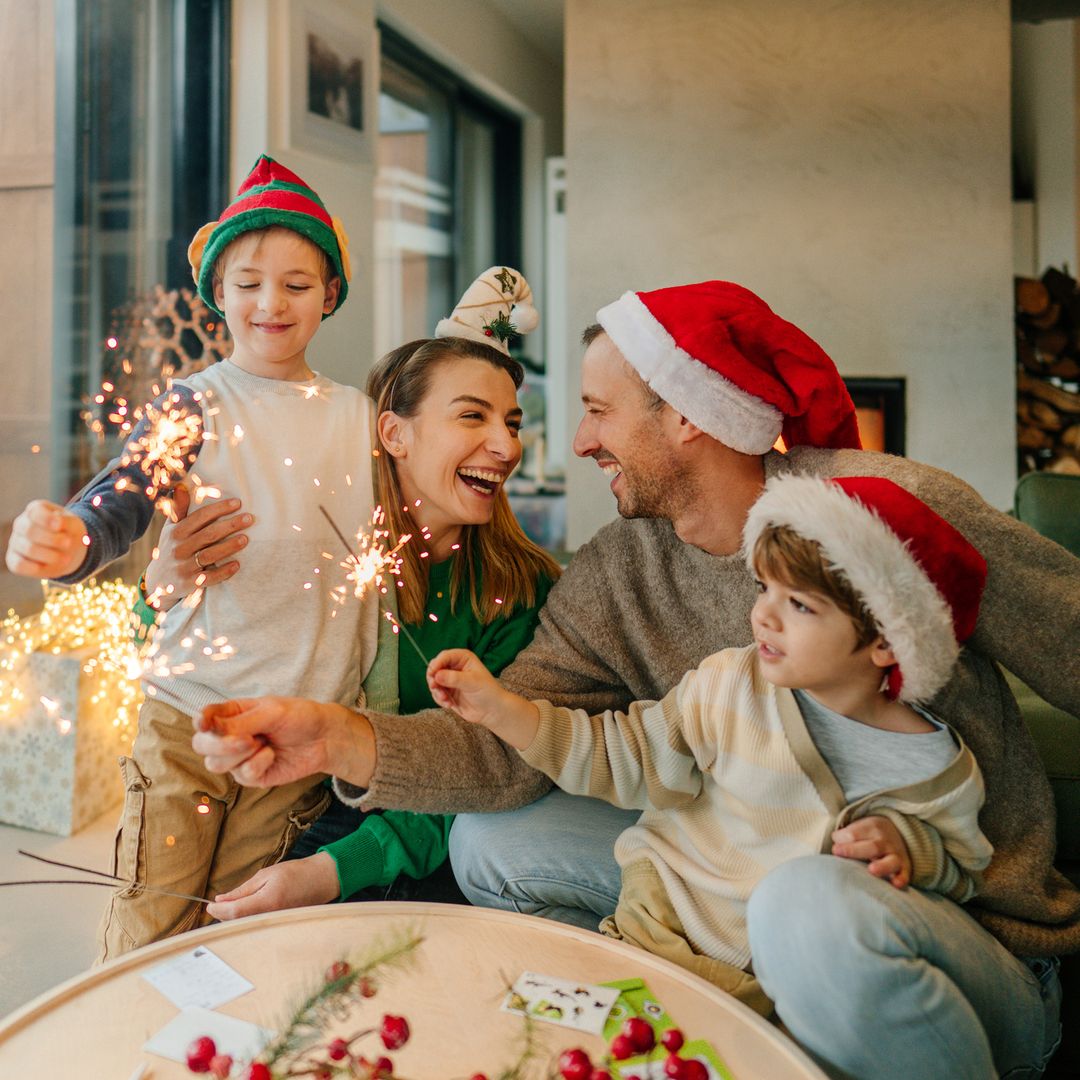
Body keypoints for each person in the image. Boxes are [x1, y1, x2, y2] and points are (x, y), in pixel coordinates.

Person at [193, 281, 1076, 1079]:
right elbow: (519, 742)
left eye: (597, 411)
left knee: (803, 905)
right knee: (491, 844)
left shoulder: (877, 511)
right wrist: (339, 736)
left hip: (953, 935)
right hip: (747, 890)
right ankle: (705, 1018)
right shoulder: (622, 572)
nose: (575, 441)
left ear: (684, 415)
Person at [426, 473, 994, 1015]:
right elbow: (623, 756)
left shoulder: (937, 767)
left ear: (887, 643)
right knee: (524, 1014)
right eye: (765, 587)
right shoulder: (730, 683)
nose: (763, 615)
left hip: (770, 989)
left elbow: (960, 868)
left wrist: (911, 848)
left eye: (799, 605)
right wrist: (503, 710)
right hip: (652, 928)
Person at [4, 154, 382, 959]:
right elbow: (123, 496)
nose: (269, 302)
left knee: (244, 928)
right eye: (247, 281)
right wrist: (71, 539)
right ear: (218, 293)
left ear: (331, 295)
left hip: (298, 724)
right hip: (187, 709)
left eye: (296, 283)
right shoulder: (194, 402)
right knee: (154, 919)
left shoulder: (359, 416)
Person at [198, 269, 560, 919]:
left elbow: (492, 775)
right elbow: (182, 639)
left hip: (429, 845)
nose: (507, 446)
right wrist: (165, 585)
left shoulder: (522, 589)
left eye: (511, 420)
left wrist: (332, 871)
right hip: (291, 808)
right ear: (394, 434)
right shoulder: (313, 545)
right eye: (472, 416)